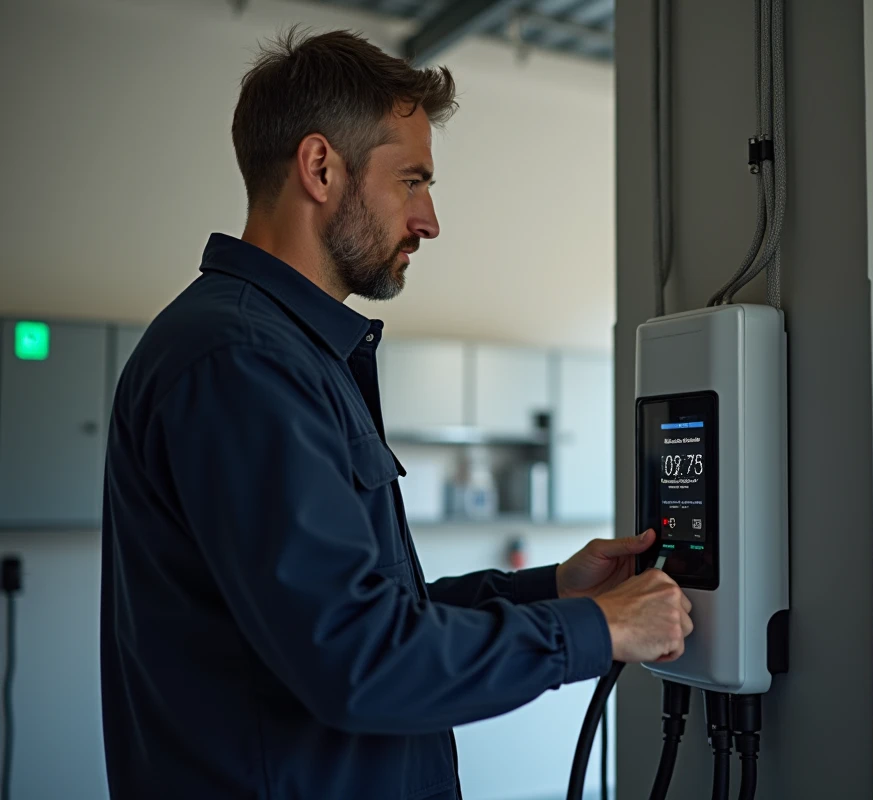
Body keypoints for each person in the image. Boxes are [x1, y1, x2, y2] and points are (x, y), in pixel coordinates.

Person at [100, 28, 692, 800]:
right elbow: (358, 659)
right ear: (320, 168)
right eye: (412, 180)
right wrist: (601, 630)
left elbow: (364, 614)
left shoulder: (288, 351)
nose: (429, 220)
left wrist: (555, 592)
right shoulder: (242, 361)